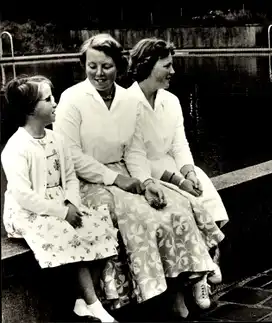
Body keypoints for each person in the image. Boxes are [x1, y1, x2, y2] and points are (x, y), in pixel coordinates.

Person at [53, 34, 225, 318]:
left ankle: (182, 286)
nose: (98, 73)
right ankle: (146, 294)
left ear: (118, 66)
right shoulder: (72, 99)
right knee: (139, 217)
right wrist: (116, 179)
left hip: (126, 173)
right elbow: (70, 155)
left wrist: (146, 182)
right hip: (85, 180)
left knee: (176, 206)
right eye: (92, 65)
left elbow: (134, 151)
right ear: (83, 65)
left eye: (106, 66)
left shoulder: (126, 100)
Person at [1, 75, 119, 322]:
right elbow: (24, 196)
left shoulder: (56, 139)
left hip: (62, 204)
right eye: (48, 99)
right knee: (68, 234)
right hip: (29, 213)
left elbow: (70, 177)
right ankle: (94, 303)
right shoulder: (16, 147)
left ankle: (81, 301)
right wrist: (62, 213)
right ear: (31, 110)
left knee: (99, 225)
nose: (55, 103)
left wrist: (72, 203)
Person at [125, 37, 230, 283]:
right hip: (146, 174)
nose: (173, 71)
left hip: (174, 167)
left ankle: (208, 260)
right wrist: (177, 180)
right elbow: (135, 155)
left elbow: (180, 144)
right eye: (167, 65)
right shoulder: (127, 104)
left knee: (206, 194)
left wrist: (190, 173)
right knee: (182, 206)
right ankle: (199, 275)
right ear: (148, 66)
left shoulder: (170, 101)